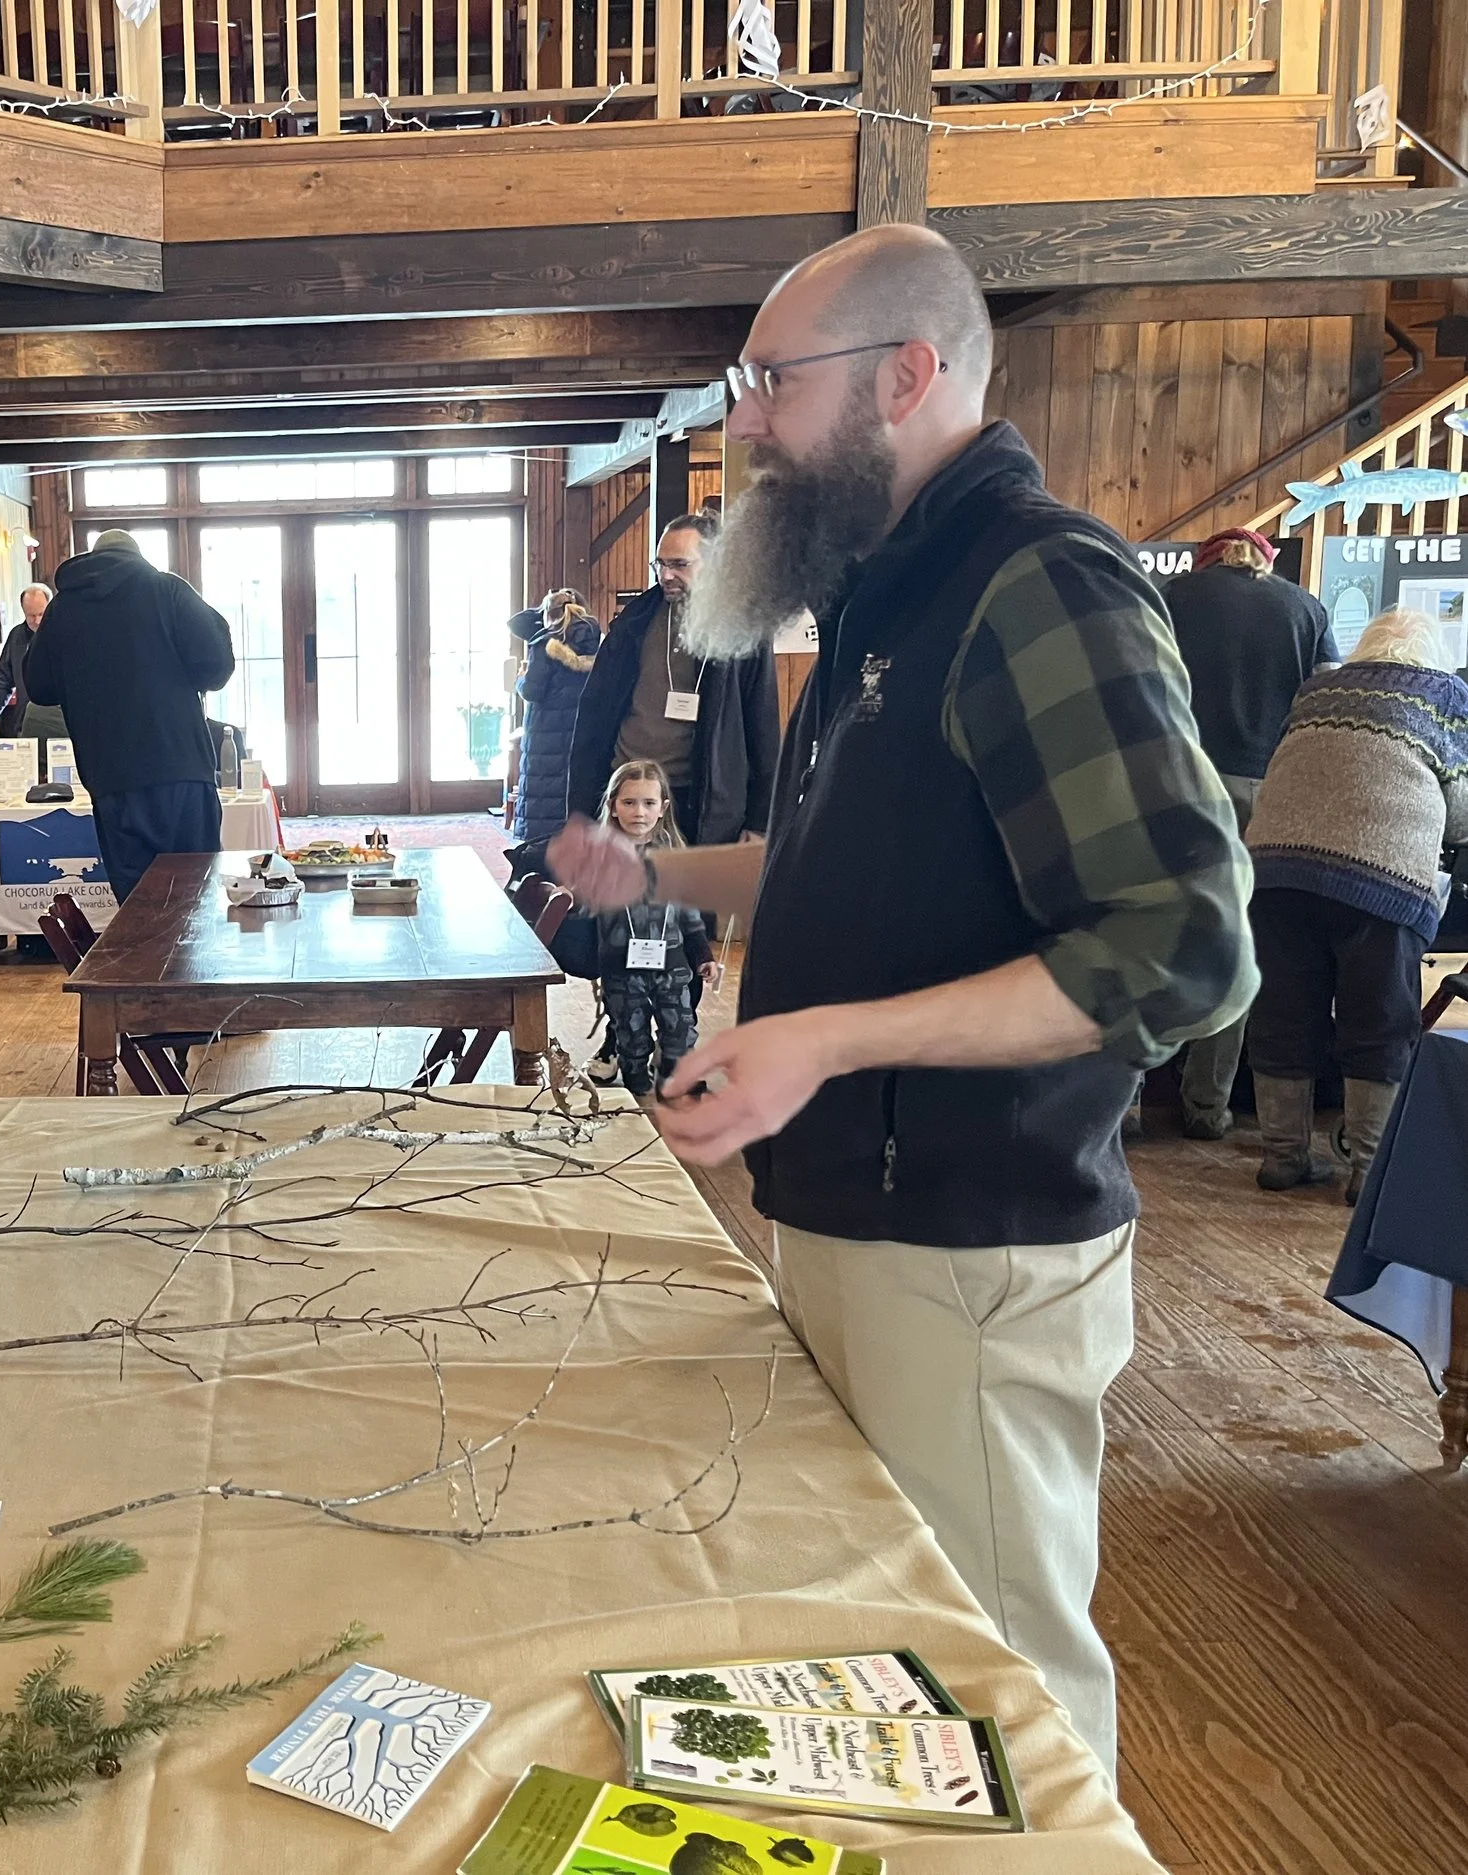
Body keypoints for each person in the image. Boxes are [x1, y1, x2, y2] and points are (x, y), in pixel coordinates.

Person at [547, 225, 1254, 1776]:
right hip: (859, 1219)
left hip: (970, 1243)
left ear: (906, 375)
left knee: (1001, 1679)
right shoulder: (888, 597)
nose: (745, 425)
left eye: (774, 384)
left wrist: (828, 1039)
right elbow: (832, 867)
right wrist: (652, 876)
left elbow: (1183, 947)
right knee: (892, 1647)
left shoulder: (1040, 585)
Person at [1241, 607, 1468, 1200]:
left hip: (1275, 869)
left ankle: (1283, 1157)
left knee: (1284, 1014)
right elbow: (1461, 815)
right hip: (1380, 878)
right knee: (1378, 1022)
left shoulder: (1316, 690)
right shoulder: (1444, 696)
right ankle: (1369, 1173)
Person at [1161, 526, 1336, 1138]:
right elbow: (1324, 700)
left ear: (1206, 561)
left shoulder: (1173, 598)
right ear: (1266, 561)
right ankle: (1207, 1106)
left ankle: (1126, 1104)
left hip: (1180, 783)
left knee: (1155, 932)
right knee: (1239, 944)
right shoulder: (1305, 608)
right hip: (1270, 790)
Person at [23, 529, 236, 900]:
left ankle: (145, 943)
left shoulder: (62, 609)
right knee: (194, 894)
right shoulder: (168, 591)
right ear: (137, 556)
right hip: (180, 769)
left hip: (110, 779)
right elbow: (217, 668)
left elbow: (38, 688)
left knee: (137, 905)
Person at [566, 510, 780, 843]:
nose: (666, 575)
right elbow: (593, 715)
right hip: (630, 790)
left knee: (693, 879)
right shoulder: (635, 620)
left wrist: (760, 821)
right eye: (660, 564)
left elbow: (763, 727)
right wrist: (579, 811)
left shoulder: (744, 627)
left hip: (702, 798)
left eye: (679, 564)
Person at [589, 760, 721, 1092]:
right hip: (621, 967)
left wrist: (703, 955)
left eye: (648, 803)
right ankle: (635, 1079)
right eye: (629, 802)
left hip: (671, 964)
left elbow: (689, 913)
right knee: (630, 1031)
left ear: (662, 808)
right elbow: (582, 910)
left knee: (680, 1027)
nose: (639, 812)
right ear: (613, 806)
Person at [509, 589, 603, 849]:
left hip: (546, 735)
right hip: (582, 731)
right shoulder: (597, 644)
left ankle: (539, 857)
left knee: (543, 797)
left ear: (548, 614)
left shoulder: (545, 645)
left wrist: (520, 679)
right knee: (570, 794)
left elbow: (532, 690)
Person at [0, 582, 65, 747]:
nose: (37, 621)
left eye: (41, 614)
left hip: (59, 726)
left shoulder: (64, 635)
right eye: (31, 616)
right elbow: (4, 679)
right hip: (24, 726)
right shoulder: (16, 637)